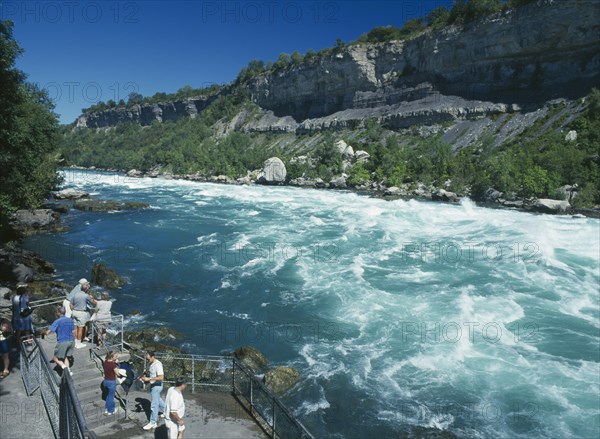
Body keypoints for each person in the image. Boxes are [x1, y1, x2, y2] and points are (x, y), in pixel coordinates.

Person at [43, 306, 75, 376]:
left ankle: (65, 368)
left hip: (63, 342)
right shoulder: (70, 320)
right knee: (65, 357)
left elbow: (48, 332)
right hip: (71, 341)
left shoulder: (57, 321)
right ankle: (69, 371)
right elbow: (73, 330)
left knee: (55, 358)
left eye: (56, 312)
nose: (55, 313)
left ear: (59, 313)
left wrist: (43, 332)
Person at [140, 351, 165, 430]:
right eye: (146, 359)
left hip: (157, 386)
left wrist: (149, 379)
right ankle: (167, 411)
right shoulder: (151, 363)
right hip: (153, 385)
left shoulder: (158, 365)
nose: (147, 361)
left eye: (148, 359)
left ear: (153, 357)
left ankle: (153, 422)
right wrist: (144, 377)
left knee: (154, 405)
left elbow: (161, 377)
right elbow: (152, 374)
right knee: (158, 400)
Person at [70, 282, 96, 348]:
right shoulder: (86, 295)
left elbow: (71, 304)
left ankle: (75, 342)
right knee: (80, 328)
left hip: (74, 312)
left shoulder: (75, 294)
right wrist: (92, 298)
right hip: (81, 313)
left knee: (75, 327)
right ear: (86, 289)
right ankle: (78, 343)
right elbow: (93, 302)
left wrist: (74, 310)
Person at [102, 351, 125, 416]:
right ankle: (111, 410)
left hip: (105, 381)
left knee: (108, 396)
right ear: (112, 357)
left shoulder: (105, 362)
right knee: (111, 397)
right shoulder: (113, 365)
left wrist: (114, 362)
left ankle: (107, 409)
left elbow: (109, 366)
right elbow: (117, 373)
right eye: (116, 356)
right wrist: (117, 364)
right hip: (111, 382)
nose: (117, 357)